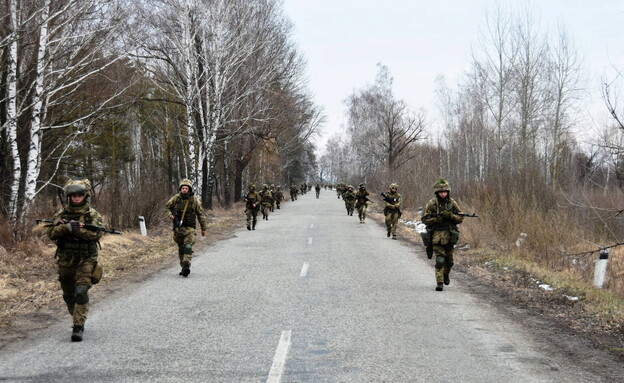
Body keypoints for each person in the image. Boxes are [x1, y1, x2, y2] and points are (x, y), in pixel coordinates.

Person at [46, 179, 103, 342]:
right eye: (73, 196)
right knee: (69, 295)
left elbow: (97, 235)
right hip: (65, 259)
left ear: (85, 196)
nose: (76, 198)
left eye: (79, 195)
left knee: (81, 291)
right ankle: (76, 317)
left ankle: (78, 326)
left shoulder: (92, 214)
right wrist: (66, 227)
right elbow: (51, 233)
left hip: (86, 259)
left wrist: (80, 231)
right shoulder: (61, 214)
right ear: (69, 197)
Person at [421, 178, 463, 291]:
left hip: (450, 236)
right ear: (437, 193)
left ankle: (445, 274)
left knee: (449, 261)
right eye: (441, 192)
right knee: (440, 260)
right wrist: (436, 219)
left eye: (445, 192)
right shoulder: (431, 204)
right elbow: (424, 219)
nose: (443, 194)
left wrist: (450, 216)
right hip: (436, 236)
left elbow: (460, 218)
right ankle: (439, 282)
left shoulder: (452, 203)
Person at [165, 179, 207, 277]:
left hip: (190, 228)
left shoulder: (194, 200)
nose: (184, 190)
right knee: (181, 249)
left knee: (188, 246)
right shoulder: (176, 198)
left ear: (189, 189)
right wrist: (170, 215)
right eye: (183, 188)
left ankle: (187, 265)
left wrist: (203, 228)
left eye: (186, 188)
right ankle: (183, 267)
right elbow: (167, 207)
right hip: (178, 228)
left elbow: (201, 214)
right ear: (180, 189)